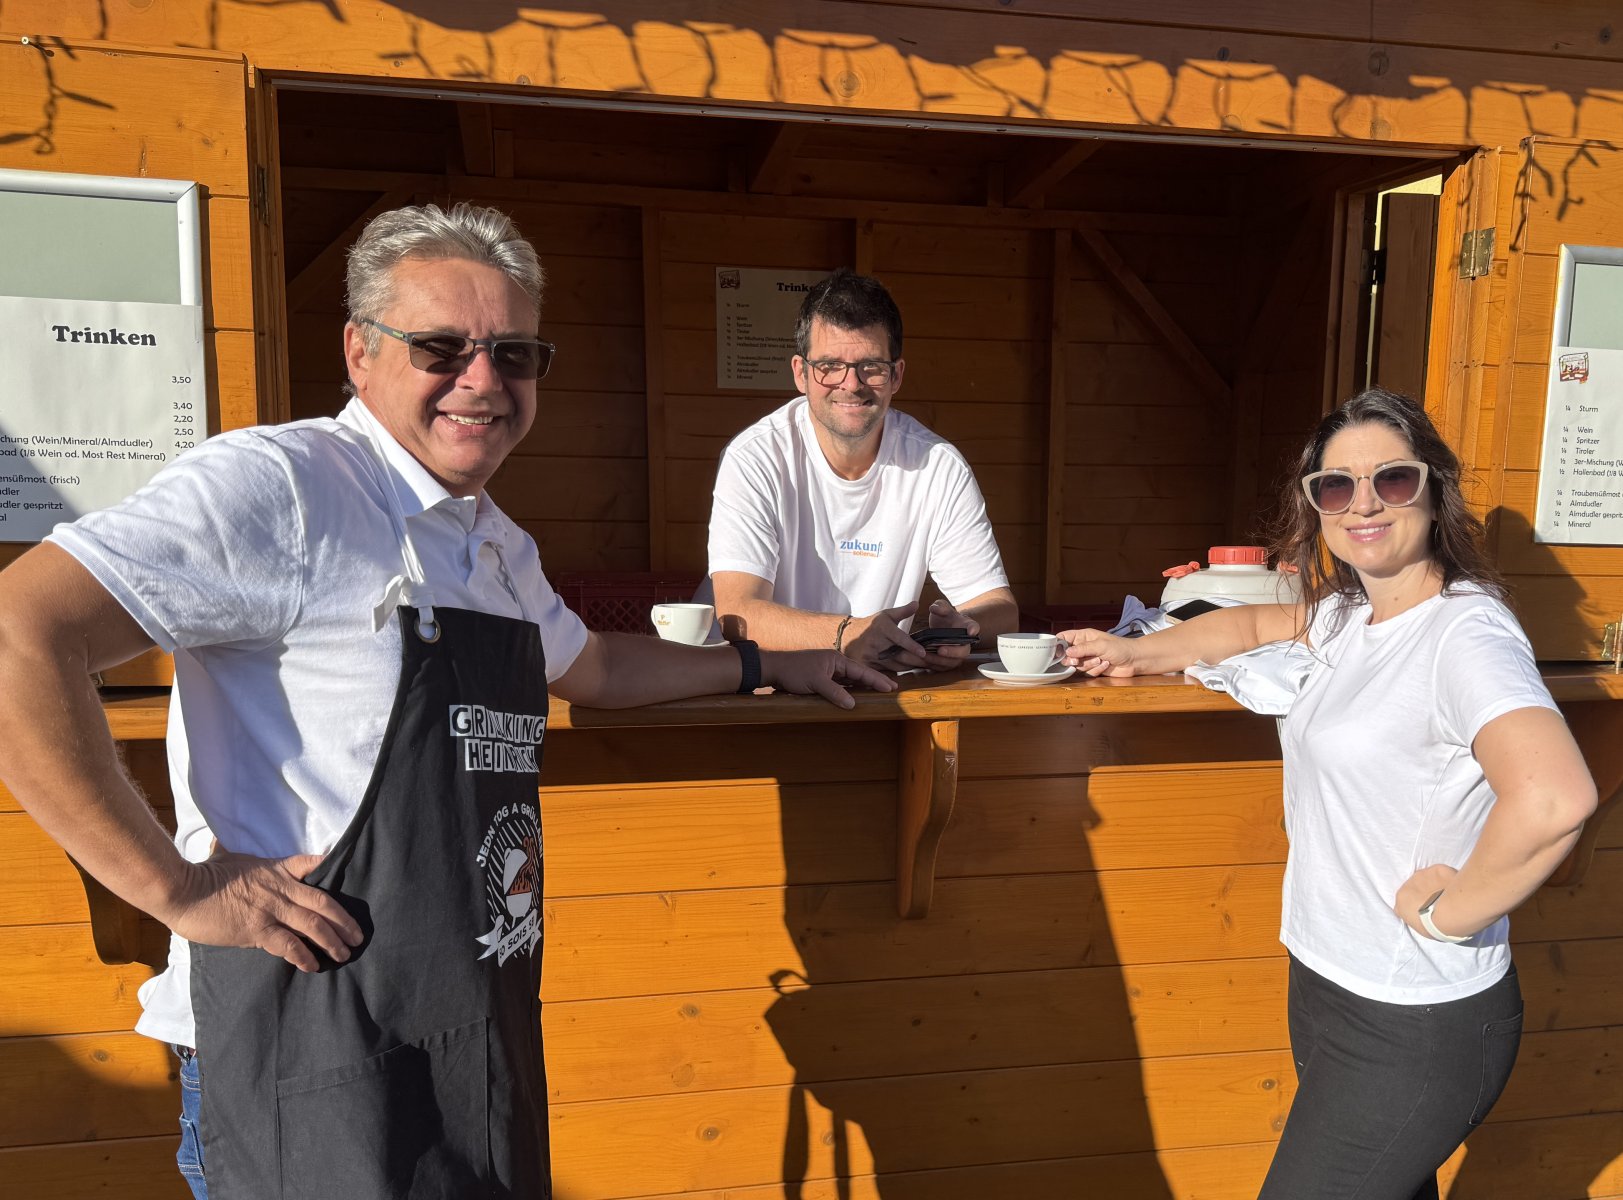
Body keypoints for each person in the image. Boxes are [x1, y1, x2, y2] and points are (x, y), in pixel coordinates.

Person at [0, 202, 894, 1199]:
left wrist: (763, 663)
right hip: (305, 1042)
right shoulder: (284, 486)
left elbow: (595, 667)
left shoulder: (495, 542)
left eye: (514, 354)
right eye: (440, 347)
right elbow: (17, 634)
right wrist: (176, 888)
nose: (482, 380)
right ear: (360, 351)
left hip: (466, 1036)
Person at [1058, 388, 1597, 1199]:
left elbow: (1554, 797)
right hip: (1328, 985)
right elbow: (1246, 628)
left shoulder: (1464, 635)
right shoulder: (1350, 616)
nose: (1362, 504)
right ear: (1315, 505)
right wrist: (1135, 652)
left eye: (1392, 479)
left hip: (1414, 1019)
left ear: (1435, 489)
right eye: (1336, 486)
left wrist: (1450, 914)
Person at [707, 268, 1017, 671]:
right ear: (801, 373)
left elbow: (1000, 609)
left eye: (871, 366)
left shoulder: (939, 466)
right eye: (830, 365)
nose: (851, 384)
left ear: (896, 376)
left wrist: (965, 627)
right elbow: (738, 613)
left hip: (881, 688)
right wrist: (846, 634)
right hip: (768, 688)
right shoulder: (755, 457)